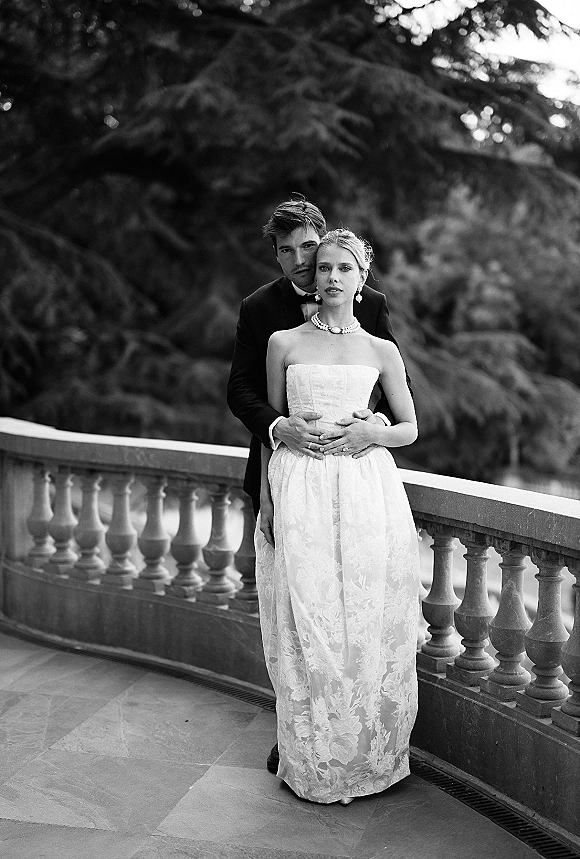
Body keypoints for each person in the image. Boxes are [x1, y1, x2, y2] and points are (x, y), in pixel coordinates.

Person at [254, 229, 420, 805]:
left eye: (343, 268)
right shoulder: (282, 343)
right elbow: (270, 433)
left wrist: (375, 432)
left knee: (363, 615)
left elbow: (409, 427)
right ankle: (312, 760)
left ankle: (366, 757)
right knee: (307, 619)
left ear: (361, 277)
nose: (331, 277)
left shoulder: (381, 350)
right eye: (323, 267)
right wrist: (268, 498)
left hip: (366, 493)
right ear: (313, 276)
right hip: (298, 488)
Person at [226, 197, 405, 520]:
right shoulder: (257, 307)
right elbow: (240, 390)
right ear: (276, 254)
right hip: (281, 473)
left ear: (323, 241)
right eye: (286, 250)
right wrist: (279, 427)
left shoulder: (370, 303)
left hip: (355, 477)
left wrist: (373, 427)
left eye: (308, 246)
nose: (300, 260)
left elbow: (398, 386)